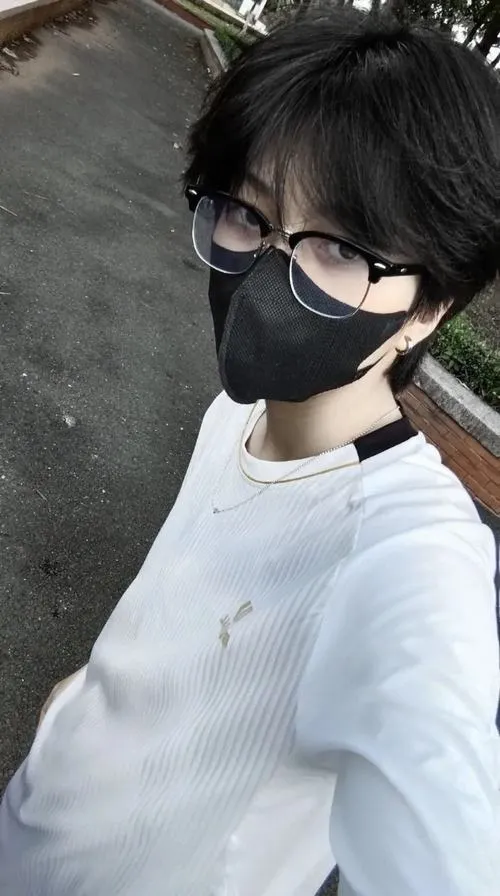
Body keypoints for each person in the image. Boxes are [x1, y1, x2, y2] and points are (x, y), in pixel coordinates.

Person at [1, 8, 499, 896]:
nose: (270, 274)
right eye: (246, 212)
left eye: (340, 245)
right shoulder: (234, 418)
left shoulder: (406, 557)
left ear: (430, 308)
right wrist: (81, 705)